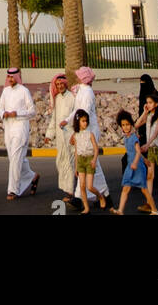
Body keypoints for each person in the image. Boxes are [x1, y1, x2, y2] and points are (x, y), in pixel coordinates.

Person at [0, 68, 40, 201]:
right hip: (8, 127)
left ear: (17, 77)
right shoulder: (5, 91)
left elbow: (32, 111)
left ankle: (13, 190)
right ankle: (32, 176)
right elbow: (0, 107)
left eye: (12, 77)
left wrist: (17, 113)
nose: (10, 79)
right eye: (8, 77)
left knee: (16, 158)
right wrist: (3, 113)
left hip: (20, 127)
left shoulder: (24, 91)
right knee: (14, 158)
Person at [71, 66, 109, 206]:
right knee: (93, 164)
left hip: (88, 130)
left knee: (89, 161)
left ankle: (79, 197)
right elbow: (77, 111)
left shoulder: (87, 93)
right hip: (84, 130)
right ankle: (104, 194)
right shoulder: (82, 90)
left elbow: (84, 114)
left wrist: (76, 131)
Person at [110, 110, 157, 216]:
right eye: (123, 125)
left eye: (127, 124)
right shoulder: (126, 137)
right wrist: (144, 160)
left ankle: (154, 210)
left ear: (131, 125)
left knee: (144, 190)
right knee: (125, 188)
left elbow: (138, 151)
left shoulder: (133, 137)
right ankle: (120, 210)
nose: (125, 127)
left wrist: (136, 163)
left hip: (137, 167)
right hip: (130, 166)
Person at [45, 72, 76, 197]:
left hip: (70, 135)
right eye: (57, 84)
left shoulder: (72, 97)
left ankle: (70, 192)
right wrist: (49, 134)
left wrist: (75, 134)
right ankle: (66, 188)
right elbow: (54, 119)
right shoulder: (57, 99)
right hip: (59, 137)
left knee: (69, 162)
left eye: (61, 84)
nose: (59, 86)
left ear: (65, 84)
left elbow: (75, 116)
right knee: (60, 162)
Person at [70, 109, 106, 213]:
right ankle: (86, 208)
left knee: (89, 186)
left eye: (86, 121)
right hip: (80, 161)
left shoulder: (90, 134)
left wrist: (94, 160)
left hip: (90, 160)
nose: (85, 123)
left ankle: (100, 196)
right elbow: (76, 152)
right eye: (83, 121)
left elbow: (96, 149)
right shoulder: (76, 136)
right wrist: (76, 167)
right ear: (78, 122)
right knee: (82, 186)